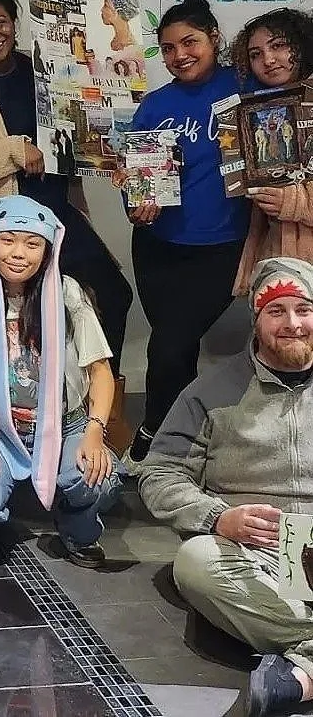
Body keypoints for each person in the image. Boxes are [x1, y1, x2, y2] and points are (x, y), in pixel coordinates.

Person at [0, 0, 133, 442]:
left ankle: (96, 410)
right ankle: (6, 424)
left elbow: (72, 125)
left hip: (54, 210)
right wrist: (15, 149)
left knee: (112, 295)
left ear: (15, 22)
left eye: (0, 22)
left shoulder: (45, 69)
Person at [139, 257, 313, 717]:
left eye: (304, 309)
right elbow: (159, 473)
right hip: (256, 556)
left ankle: (301, 672)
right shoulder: (212, 390)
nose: (292, 324)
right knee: (195, 561)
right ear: (256, 320)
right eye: (276, 312)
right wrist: (217, 517)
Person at [0, 197, 122, 569]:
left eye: (32, 243)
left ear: (47, 248)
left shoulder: (67, 293)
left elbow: (100, 371)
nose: (19, 253)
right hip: (1, 430)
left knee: (97, 478)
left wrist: (94, 431)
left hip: (66, 424)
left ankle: (78, 528)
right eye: (7, 240)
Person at [122, 0, 249, 474]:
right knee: (172, 345)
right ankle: (185, 444)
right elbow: (137, 180)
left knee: (170, 344)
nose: (180, 55)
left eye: (190, 42)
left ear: (214, 39)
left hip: (220, 248)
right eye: (169, 48)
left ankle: (154, 438)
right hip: (157, 248)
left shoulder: (245, 85)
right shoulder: (155, 105)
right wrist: (136, 206)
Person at [230, 8, 313, 295]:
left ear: (302, 44)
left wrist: (296, 203)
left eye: (278, 46)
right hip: (278, 261)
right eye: (255, 54)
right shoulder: (256, 110)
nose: (267, 60)